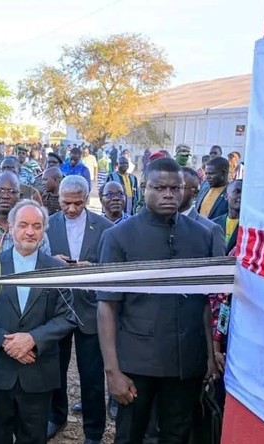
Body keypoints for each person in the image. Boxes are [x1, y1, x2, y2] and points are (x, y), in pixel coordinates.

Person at [97, 158, 224, 444]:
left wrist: (208, 354)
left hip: (185, 362)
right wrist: (112, 370)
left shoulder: (202, 236)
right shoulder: (118, 237)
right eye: (160, 188)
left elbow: (205, 302)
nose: (169, 194)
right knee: (130, 435)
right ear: (144, 188)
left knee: (177, 435)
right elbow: (107, 305)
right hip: (137, 362)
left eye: (176, 188)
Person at [0, 200, 75, 444]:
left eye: (36, 225)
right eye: (23, 225)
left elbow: (67, 316)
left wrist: (33, 339)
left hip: (38, 373)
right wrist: (6, 342)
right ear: (10, 228)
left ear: (44, 230)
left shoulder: (56, 270)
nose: (30, 232)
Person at [46, 175, 113, 443]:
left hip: (90, 309)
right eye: (66, 203)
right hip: (57, 310)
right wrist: (52, 262)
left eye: (77, 203)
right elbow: (36, 260)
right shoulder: (47, 225)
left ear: (87, 199)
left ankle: (94, 431)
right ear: (58, 199)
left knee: (92, 374)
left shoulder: (105, 227)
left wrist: (93, 270)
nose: (71, 208)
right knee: (54, 370)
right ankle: (56, 415)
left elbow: (112, 268)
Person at [179, 168, 225, 241]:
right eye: (163, 188)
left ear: (195, 193)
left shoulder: (210, 229)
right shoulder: (158, 224)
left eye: (178, 188)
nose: (170, 193)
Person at [212, 179, 242, 254]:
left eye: (245, 192)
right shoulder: (213, 224)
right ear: (226, 196)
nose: (241, 196)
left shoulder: (251, 228)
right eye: (237, 192)